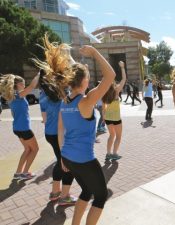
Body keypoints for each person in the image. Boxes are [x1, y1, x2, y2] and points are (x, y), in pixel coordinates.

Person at [37, 36, 115, 225]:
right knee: (101, 195)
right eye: (88, 78)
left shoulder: (65, 101)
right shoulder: (86, 101)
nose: (90, 81)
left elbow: (60, 129)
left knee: (87, 191)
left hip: (69, 159)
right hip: (84, 160)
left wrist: (62, 157)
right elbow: (110, 76)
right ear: (84, 81)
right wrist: (95, 52)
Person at [39, 69, 76, 205]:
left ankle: (55, 192)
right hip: (61, 134)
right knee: (68, 163)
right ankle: (64, 196)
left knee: (61, 161)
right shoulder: (61, 92)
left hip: (49, 133)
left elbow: (44, 118)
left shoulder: (42, 94)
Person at [0, 73, 40, 180]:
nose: (24, 84)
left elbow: (14, 114)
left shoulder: (11, 97)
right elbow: (32, 87)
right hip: (24, 128)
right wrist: (38, 74)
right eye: (22, 83)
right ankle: (25, 173)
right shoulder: (18, 95)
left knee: (27, 149)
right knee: (35, 149)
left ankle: (18, 173)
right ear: (17, 84)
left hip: (17, 128)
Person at [102, 61, 126, 160]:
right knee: (118, 136)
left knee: (111, 135)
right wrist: (122, 67)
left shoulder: (104, 91)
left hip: (107, 118)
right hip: (116, 118)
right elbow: (124, 79)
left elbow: (103, 108)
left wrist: (104, 118)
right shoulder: (116, 90)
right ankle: (115, 154)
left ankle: (108, 154)